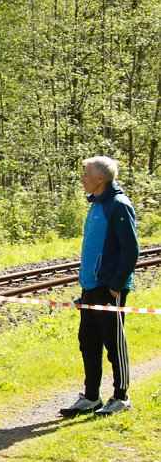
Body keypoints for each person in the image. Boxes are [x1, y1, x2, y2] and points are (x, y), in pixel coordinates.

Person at [60, 156, 139, 417]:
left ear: (99, 178)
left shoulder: (118, 206)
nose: (82, 178)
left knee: (114, 344)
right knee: (88, 341)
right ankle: (92, 397)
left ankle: (121, 396)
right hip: (91, 287)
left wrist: (116, 286)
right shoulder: (95, 205)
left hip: (109, 289)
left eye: (85, 174)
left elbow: (131, 250)